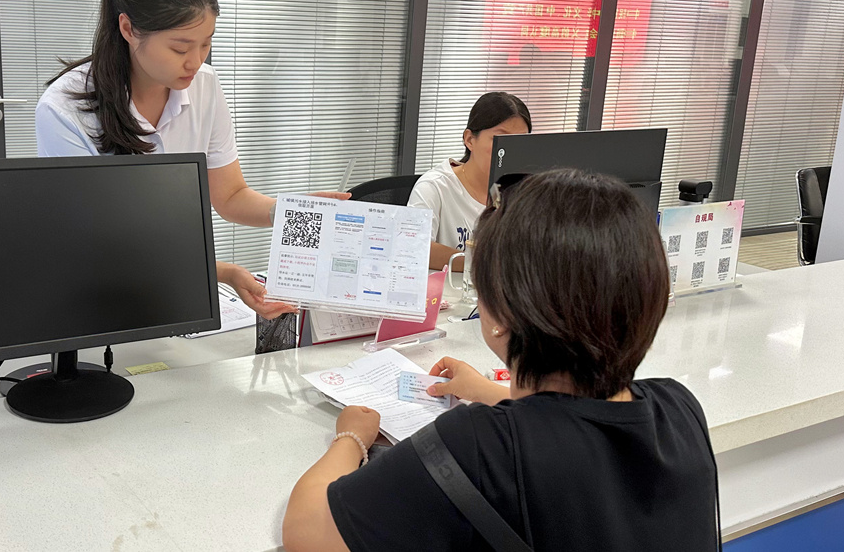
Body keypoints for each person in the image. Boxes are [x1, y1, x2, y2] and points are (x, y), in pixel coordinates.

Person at [283, 169, 719, 552]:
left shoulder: (478, 445)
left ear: (500, 315)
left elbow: (307, 531)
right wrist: (490, 392)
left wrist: (351, 439)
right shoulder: (679, 408)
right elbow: (577, 422)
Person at [35, 0, 346, 319]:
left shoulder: (205, 85)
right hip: (100, 297)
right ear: (128, 29)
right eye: (180, 47)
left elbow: (229, 195)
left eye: (206, 43)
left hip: (176, 291)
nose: (196, 61)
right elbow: (101, 245)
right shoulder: (65, 110)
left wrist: (293, 213)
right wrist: (223, 272)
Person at [407, 92, 531, 272]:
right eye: (501, 139)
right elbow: (414, 248)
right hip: (448, 289)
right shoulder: (435, 186)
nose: (512, 151)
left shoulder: (525, 191)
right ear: (469, 140)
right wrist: (484, 264)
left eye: (521, 141)